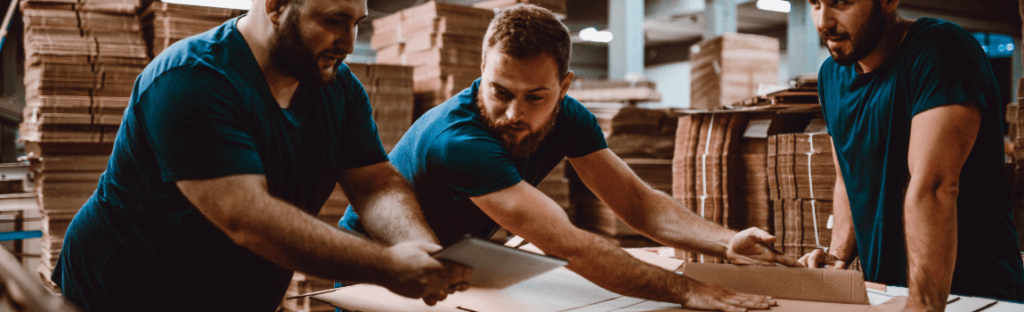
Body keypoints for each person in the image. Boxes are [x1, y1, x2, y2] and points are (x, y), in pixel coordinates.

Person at [339, 5, 801, 312]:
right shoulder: (458, 140)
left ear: (565, 86)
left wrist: (725, 242)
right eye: (499, 92)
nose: (513, 114)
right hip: (376, 272)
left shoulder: (570, 118)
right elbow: (568, 244)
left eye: (535, 97)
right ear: (481, 72)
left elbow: (635, 202)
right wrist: (686, 289)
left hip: (448, 266)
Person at [51, 0, 471, 310]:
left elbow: (373, 181)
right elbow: (246, 218)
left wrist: (418, 246)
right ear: (276, 6)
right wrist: (388, 267)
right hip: (124, 294)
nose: (347, 42)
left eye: (356, 23)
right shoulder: (193, 79)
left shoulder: (338, 88)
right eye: (333, 21)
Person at [796, 0, 1024, 309]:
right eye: (815, 4)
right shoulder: (831, 77)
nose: (824, 21)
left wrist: (923, 305)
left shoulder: (941, 50)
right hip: (888, 293)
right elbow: (847, 179)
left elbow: (934, 186)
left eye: (842, 3)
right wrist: (837, 256)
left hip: (974, 296)